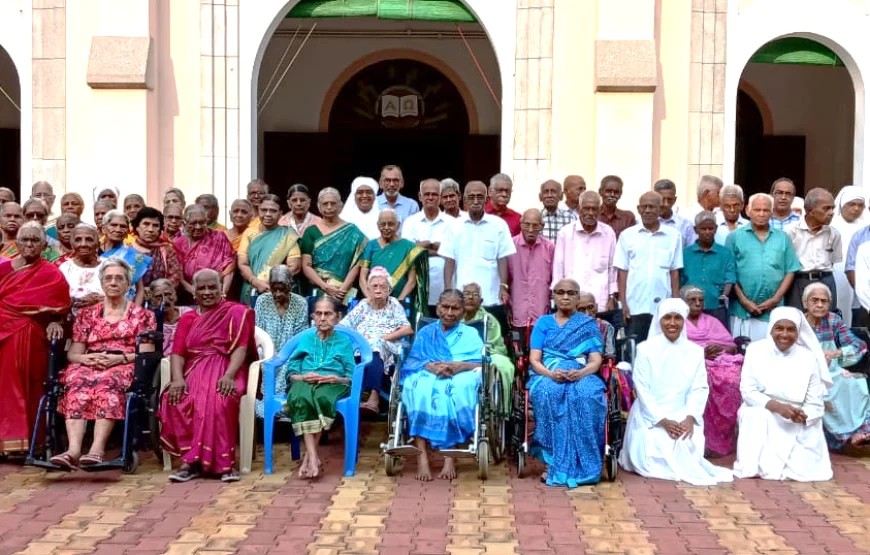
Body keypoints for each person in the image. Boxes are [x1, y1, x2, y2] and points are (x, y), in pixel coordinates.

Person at [51, 257, 156, 468]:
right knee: (76, 382)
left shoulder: (143, 315)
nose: (113, 282)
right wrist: (85, 359)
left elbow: (146, 353)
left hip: (124, 362)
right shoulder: (86, 314)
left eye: (119, 278)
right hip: (89, 362)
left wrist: (119, 358)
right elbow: (74, 353)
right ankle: (72, 451)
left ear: (128, 285)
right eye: (108, 278)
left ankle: (97, 449)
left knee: (107, 383)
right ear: (102, 283)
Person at [618, 298, 733, 485]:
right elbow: (642, 389)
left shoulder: (695, 351)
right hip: (651, 414)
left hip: (683, 411)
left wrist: (689, 417)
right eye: (667, 318)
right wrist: (663, 421)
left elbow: (699, 388)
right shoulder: (645, 350)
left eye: (677, 318)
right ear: (659, 320)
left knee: (685, 440)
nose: (672, 323)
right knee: (658, 441)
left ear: (683, 321)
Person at [159, 269, 256, 482]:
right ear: (193, 291)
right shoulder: (188, 319)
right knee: (178, 399)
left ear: (222, 289)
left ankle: (225, 464)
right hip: (194, 369)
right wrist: (177, 380)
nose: (207, 292)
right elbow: (177, 353)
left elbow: (240, 348)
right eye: (201, 288)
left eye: (212, 287)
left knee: (221, 401)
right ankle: (190, 462)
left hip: (228, 368)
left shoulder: (236, 312)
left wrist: (230, 375)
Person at [733, 306, 833, 482]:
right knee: (754, 415)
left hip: (797, 416)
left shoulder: (809, 358)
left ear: (799, 331)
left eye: (791, 329)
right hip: (764, 408)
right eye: (779, 328)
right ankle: (755, 466)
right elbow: (748, 390)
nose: (785, 334)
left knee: (807, 467)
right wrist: (777, 407)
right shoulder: (755, 350)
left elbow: (815, 403)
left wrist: (803, 416)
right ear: (771, 329)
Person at [527, 279, 606, 487]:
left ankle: (586, 463)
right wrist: (551, 374)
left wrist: (581, 373)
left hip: (581, 372)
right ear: (553, 296)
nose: (565, 297)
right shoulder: (543, 323)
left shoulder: (588, 325)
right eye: (560, 292)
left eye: (571, 293)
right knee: (548, 393)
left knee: (586, 395)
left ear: (577, 298)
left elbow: (596, 360)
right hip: (548, 373)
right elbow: (535, 359)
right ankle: (552, 463)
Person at [0, 223, 69, 454]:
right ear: (16, 243)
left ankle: (25, 441)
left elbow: (61, 310)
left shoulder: (51, 273)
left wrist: (54, 322)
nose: (29, 245)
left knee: (21, 381)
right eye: (25, 240)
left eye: (34, 240)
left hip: (30, 337)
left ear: (43, 244)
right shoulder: (4, 269)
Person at [401, 289, 484, 481]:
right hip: (429, 372)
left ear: (463, 311)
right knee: (418, 387)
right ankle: (422, 459)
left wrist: (461, 365)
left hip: (461, 373)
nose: (449, 312)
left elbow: (483, 363)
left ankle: (449, 457)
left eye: (455, 308)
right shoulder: (426, 332)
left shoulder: (470, 334)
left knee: (454, 390)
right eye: (445, 307)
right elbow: (413, 360)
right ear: (437, 308)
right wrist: (430, 366)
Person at [283, 296, 356, 479]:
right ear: (313, 316)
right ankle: (314, 457)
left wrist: (336, 378)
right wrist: (302, 376)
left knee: (322, 398)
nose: (322, 318)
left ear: (338, 317)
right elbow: (291, 369)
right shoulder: (307, 338)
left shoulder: (344, 342)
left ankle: (309, 457)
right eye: (319, 313)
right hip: (306, 382)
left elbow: (351, 375)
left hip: (332, 385)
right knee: (300, 398)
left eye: (328, 314)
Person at [802, 282, 870, 449]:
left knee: (854, 382)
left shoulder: (833, 320)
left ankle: (860, 431)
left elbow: (859, 345)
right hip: (805, 373)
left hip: (832, 371)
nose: (819, 304)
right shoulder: (798, 323)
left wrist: (837, 353)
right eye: (814, 300)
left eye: (824, 301)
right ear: (805, 303)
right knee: (825, 389)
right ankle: (844, 436)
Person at [727, 194, 801, 341]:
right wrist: (744, 301)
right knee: (743, 353)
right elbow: (729, 272)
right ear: (748, 211)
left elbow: (791, 270)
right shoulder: (734, 237)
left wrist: (775, 299)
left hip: (774, 310)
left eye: (766, 210)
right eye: (757, 210)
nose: (761, 214)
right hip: (742, 311)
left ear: (772, 212)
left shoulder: (782, 238)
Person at [681, 285, 744, 458]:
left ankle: (726, 435)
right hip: (692, 364)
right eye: (692, 300)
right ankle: (707, 441)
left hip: (719, 360)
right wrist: (700, 353)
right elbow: (676, 350)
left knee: (733, 379)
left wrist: (719, 347)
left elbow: (731, 347)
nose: (697, 303)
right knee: (707, 380)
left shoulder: (712, 321)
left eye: (700, 300)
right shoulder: (678, 322)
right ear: (683, 303)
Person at [440, 181, 515, 324]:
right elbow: (449, 260)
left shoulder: (498, 225)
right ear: (465, 200)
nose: (475, 201)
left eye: (480, 197)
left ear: (486, 199)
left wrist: (503, 286)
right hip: (462, 295)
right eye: (471, 197)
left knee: (490, 336)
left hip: (491, 295)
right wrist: (448, 289)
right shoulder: (454, 226)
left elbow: (502, 258)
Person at [341, 267, 412, 413]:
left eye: (382, 287)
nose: (378, 290)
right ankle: (356, 396)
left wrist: (383, 338)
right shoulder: (363, 305)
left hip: (385, 346)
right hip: (359, 346)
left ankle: (373, 398)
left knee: (375, 344)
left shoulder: (393, 305)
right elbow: (343, 326)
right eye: (374, 286)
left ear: (389, 290)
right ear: (368, 289)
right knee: (359, 347)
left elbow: (407, 329)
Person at [614, 191, 682, 341]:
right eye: (644, 207)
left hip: (662, 305)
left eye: (652, 207)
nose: (647, 210)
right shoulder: (627, 235)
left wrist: (675, 303)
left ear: (660, 209)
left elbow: (674, 272)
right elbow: (622, 272)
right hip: (635, 305)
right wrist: (623, 303)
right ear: (638, 209)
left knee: (661, 348)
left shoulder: (673, 236)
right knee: (634, 349)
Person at [254, 265, 309, 418]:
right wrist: (270, 352)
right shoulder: (262, 301)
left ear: (291, 285)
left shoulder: (300, 303)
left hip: (290, 351)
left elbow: (300, 337)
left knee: (291, 360)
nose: (277, 294)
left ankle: (278, 404)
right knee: (262, 357)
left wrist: (283, 354)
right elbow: (258, 332)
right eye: (274, 289)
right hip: (266, 350)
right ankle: (267, 404)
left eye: (282, 289)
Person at [553, 192, 618, 314]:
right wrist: (559, 298)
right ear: (579, 209)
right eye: (586, 208)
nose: (590, 213)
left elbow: (612, 268)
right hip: (571, 302)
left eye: (594, 209)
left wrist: (611, 297)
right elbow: (558, 269)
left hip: (600, 302)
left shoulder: (608, 233)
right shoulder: (565, 233)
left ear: (600, 210)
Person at [300, 188, 368, 301]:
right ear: (319, 207)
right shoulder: (311, 232)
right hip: (317, 289)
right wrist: (325, 286)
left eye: (333, 203)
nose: (329, 207)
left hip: (345, 292)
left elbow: (358, 264)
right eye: (325, 204)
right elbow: (306, 265)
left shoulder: (353, 231)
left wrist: (343, 289)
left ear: (340, 206)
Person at [401, 179, 456, 315]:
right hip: (417, 289)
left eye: (434, 194)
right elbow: (409, 252)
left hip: (445, 289)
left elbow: (454, 252)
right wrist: (439, 248)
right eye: (427, 194)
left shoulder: (452, 223)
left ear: (440, 196)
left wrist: (424, 245)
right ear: (420, 196)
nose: (430, 197)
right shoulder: (411, 222)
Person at [359, 210, 428, 315]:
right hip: (373, 304)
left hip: (399, 304)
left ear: (398, 225)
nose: (386, 227)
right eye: (383, 224)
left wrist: (397, 302)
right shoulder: (371, 245)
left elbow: (411, 282)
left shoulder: (409, 247)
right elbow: (362, 278)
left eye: (391, 224)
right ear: (377, 225)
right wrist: (371, 299)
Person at [238, 194, 301, 305]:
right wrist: (256, 282)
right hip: (251, 289)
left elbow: (294, 267)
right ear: (258, 210)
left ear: (281, 213)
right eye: (264, 210)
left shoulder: (288, 235)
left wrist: (271, 283)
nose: (267, 214)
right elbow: (242, 263)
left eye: (273, 211)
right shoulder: (249, 233)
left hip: (278, 291)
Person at [461, 282, 515, 412]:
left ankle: (501, 411)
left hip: (490, 353)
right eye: (467, 294)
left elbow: (494, 344)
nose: (470, 298)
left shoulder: (489, 319)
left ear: (481, 301)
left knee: (503, 365)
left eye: (475, 295)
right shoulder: (454, 317)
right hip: (461, 355)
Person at [784, 187, 840, 308]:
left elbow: (833, 262)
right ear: (810, 211)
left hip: (826, 281)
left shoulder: (834, 234)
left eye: (832, 208)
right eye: (826, 208)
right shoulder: (790, 231)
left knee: (826, 323)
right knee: (797, 321)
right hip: (798, 282)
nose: (831, 212)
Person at [680, 211, 736, 327]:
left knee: (717, 341)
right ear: (696, 230)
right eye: (703, 229)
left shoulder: (725, 253)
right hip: (689, 308)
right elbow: (680, 279)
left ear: (715, 229)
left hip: (716, 305)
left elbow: (729, 277)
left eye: (710, 229)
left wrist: (724, 295)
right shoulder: (685, 253)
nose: (707, 232)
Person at [173, 204, 236, 299]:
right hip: (190, 295)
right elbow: (180, 277)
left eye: (202, 222)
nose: (198, 227)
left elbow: (229, 267)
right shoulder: (179, 243)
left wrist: (223, 292)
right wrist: (197, 293)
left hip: (218, 294)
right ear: (184, 224)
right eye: (193, 223)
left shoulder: (219, 237)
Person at [508, 209, 555, 329]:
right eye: (526, 224)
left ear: (542, 226)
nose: (530, 229)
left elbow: (554, 280)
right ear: (520, 223)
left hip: (541, 312)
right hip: (516, 312)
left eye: (535, 225)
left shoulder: (550, 247)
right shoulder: (510, 246)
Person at [831, 186, 866, 326]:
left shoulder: (865, 227)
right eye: (852, 204)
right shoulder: (831, 225)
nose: (856, 209)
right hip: (835, 277)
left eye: (860, 205)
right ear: (842, 204)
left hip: (860, 278)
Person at [100, 210, 151, 303]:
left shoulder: (135, 256)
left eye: (123, 226)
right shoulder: (93, 252)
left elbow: (140, 290)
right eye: (113, 225)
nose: (118, 229)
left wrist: (135, 313)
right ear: (104, 228)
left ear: (128, 231)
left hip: (125, 308)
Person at [130, 207, 182, 291]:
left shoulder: (167, 250)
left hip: (161, 297)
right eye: (146, 224)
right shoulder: (127, 249)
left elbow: (175, 277)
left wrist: (155, 291)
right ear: (137, 227)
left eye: (155, 225)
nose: (150, 229)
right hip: (131, 298)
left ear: (160, 229)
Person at [59, 225, 105, 310]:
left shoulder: (109, 266)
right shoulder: (64, 269)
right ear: (72, 245)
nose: (83, 244)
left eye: (89, 239)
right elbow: (59, 300)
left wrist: (101, 300)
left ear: (97, 244)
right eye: (78, 240)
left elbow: (121, 297)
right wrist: (76, 301)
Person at [150, 278, 192, 357]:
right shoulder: (151, 321)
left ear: (175, 295)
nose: (164, 300)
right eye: (158, 297)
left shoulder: (187, 314)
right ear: (152, 301)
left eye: (168, 294)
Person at [654, 179, 695, 248]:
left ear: (675, 199)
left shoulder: (686, 225)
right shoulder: (641, 223)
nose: (666, 204)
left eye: (669, 200)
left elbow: (690, 252)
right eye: (662, 199)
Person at [577, 293, 616, 360]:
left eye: (590, 307)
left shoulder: (606, 326)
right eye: (581, 309)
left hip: (599, 365)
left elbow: (610, 355)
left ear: (596, 307)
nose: (587, 313)